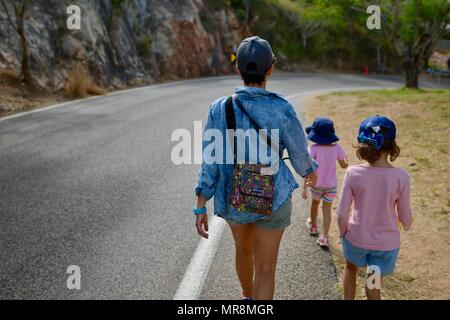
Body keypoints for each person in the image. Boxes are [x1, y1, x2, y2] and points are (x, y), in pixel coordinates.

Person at [193, 36, 318, 300]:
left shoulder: (219, 108)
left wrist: (201, 202)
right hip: (274, 196)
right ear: (270, 69)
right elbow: (300, 158)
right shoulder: (281, 108)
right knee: (266, 268)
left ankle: (247, 297)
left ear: (237, 69)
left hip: (235, 196)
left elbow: (210, 159)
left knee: (243, 251)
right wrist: (310, 171)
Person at [337, 116, 413, 300]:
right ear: (392, 146)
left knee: (350, 267)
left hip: (356, 238)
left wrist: (343, 232)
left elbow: (342, 212)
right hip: (384, 244)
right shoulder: (400, 176)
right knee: (373, 282)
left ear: (363, 144)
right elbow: (405, 217)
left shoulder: (353, 173)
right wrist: (407, 225)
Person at [302, 118, 348, 248]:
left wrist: (305, 187)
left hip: (316, 185)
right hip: (331, 186)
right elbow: (344, 165)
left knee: (315, 204)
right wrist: (346, 161)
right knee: (327, 210)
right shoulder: (337, 148)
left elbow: (309, 168)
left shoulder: (313, 149)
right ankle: (325, 237)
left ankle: (313, 226)